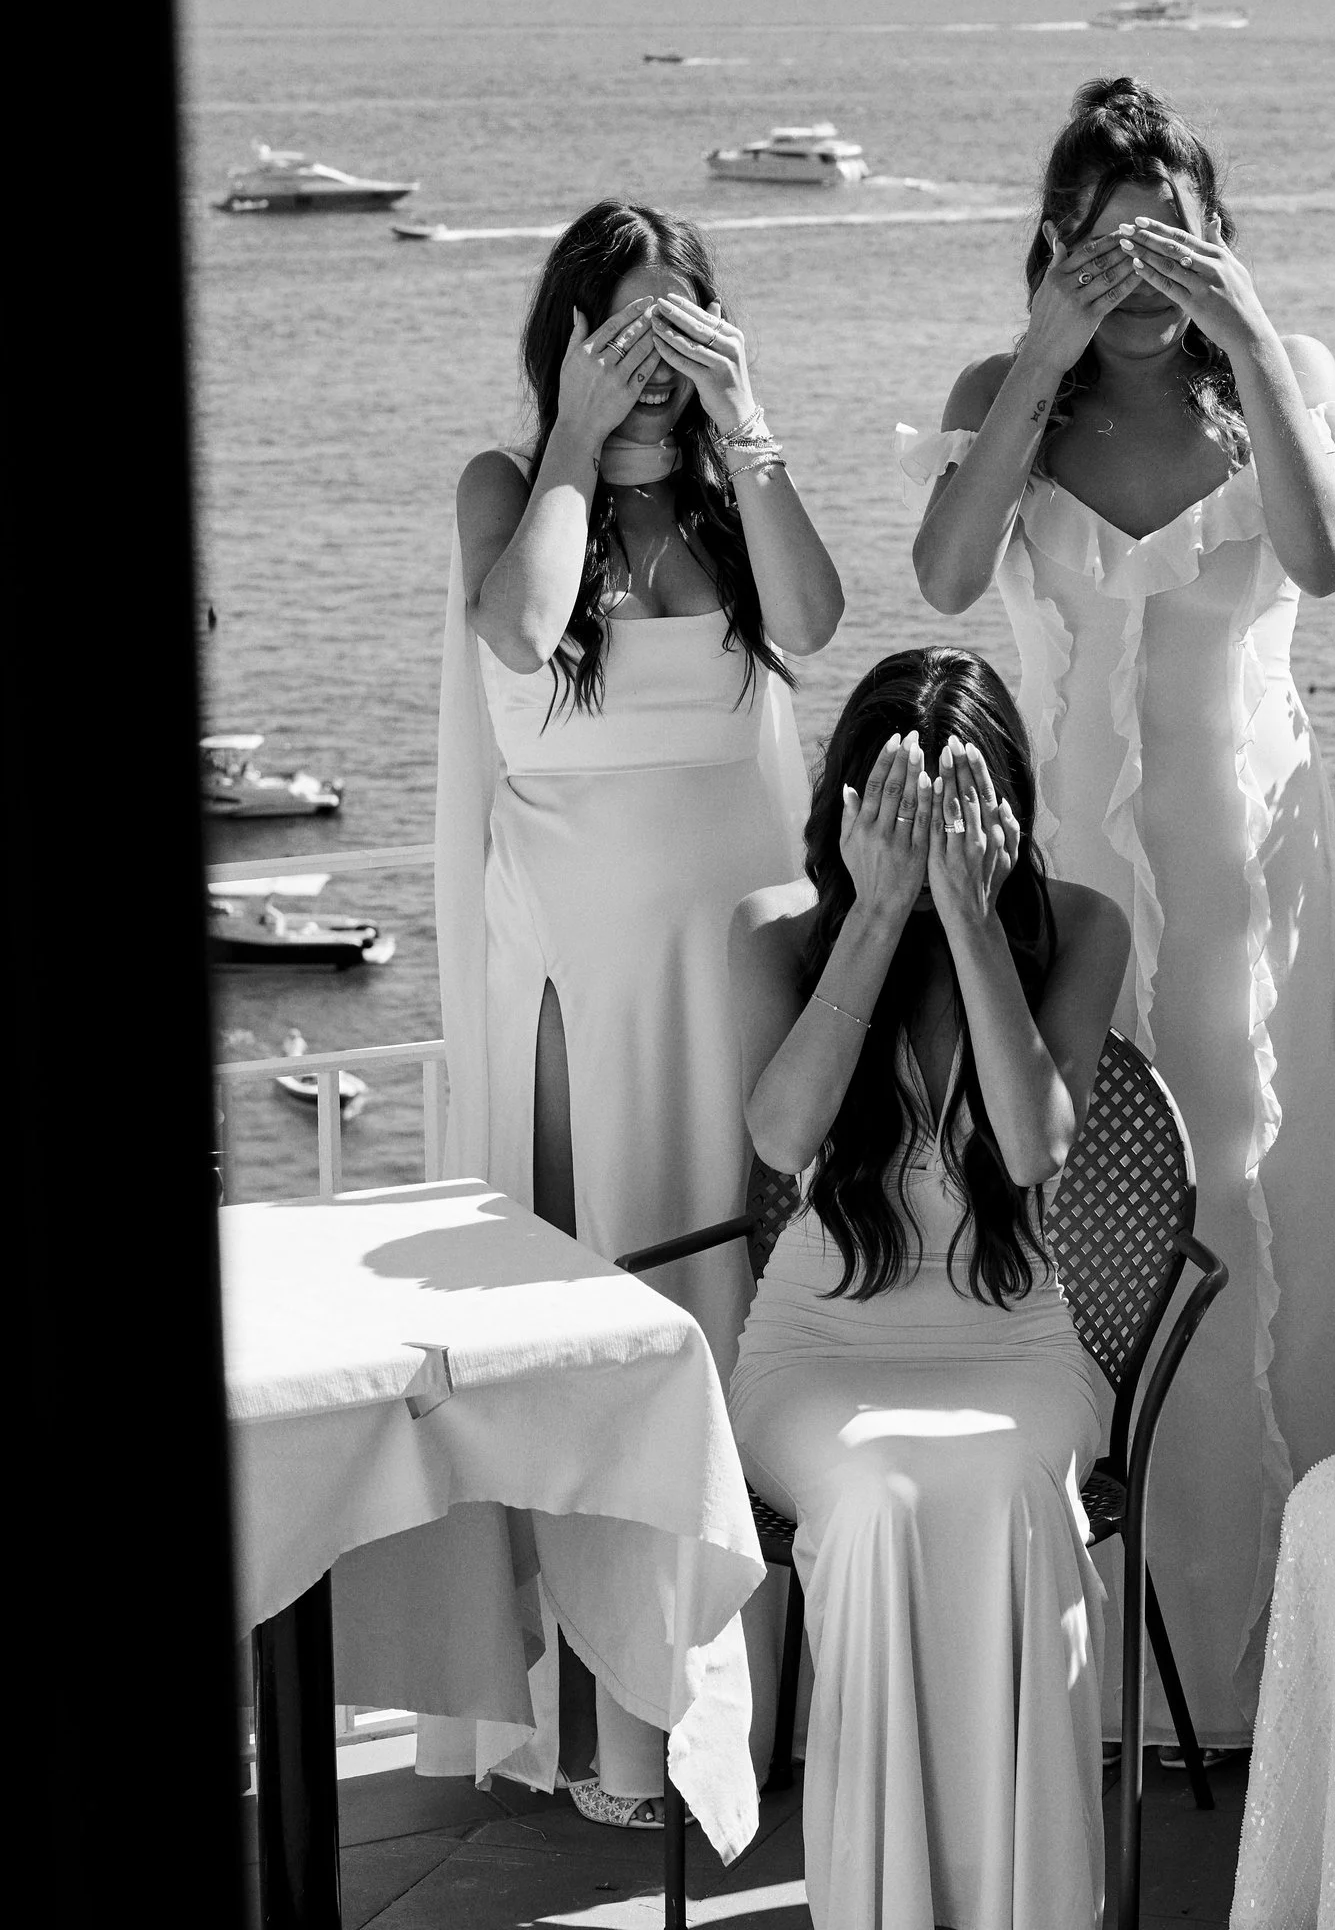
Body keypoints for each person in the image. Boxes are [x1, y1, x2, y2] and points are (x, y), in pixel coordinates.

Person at [905, 76, 1335, 1749]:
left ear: (1218, 247)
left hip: (1248, 877)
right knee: (1081, 1254)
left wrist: (1252, 344)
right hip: (1073, 892)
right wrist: (1038, 359)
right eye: (1099, 250)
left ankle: (1269, 1684)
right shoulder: (1004, 392)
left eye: (1166, 246)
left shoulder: (1286, 379)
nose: (1136, 278)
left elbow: (1330, 562)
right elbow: (949, 581)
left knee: (1256, 1238)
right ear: (1049, 251)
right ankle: (1095, 1684)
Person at [427, 198, 844, 1823]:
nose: (656, 365)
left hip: (735, 982)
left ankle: (749, 1709)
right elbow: (522, 628)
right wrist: (580, 449)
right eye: (626, 334)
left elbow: (813, 625)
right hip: (583, 998)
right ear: (572, 342)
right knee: (612, 1337)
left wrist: (753, 431)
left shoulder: (742, 508)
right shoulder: (509, 492)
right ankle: (618, 1731)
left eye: (683, 328)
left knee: (744, 1331)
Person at [728, 647, 1132, 1930]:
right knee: (869, 1494)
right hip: (818, 1337)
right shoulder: (773, 935)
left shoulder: (1083, 926)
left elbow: (1031, 1146)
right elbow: (784, 1140)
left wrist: (965, 916)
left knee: (1011, 1482)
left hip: (1017, 1333)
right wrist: (874, 913)